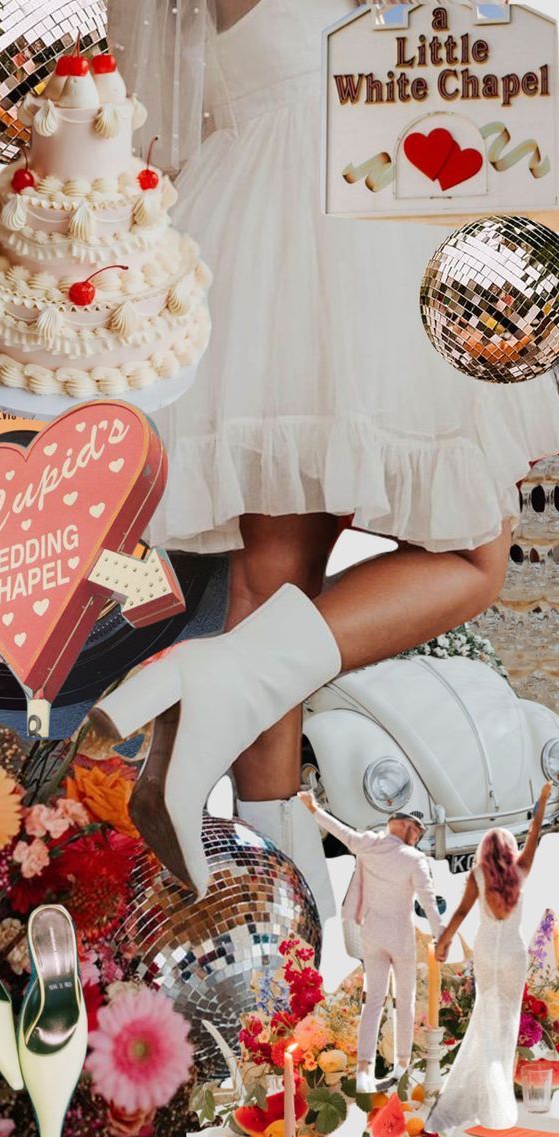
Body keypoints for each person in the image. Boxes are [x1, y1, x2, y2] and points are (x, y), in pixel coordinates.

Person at [102, 0, 559, 918]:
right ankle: (217, 695)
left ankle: (272, 898)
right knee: (473, 553)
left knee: (275, 579)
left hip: (246, 208)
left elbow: (149, 115)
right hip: (350, 194)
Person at [426, 781, 553, 1134]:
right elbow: (535, 831)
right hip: (512, 952)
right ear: (509, 849)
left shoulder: (477, 875)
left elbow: (460, 914)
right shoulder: (520, 872)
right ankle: (496, 1106)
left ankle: (483, 1098)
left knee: (484, 1020)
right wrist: (541, 800)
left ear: (484, 850)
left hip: (486, 950)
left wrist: (444, 943)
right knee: (505, 1025)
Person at [297, 791, 444, 1093]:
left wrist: (314, 808)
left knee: (373, 1002)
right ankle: (401, 1064)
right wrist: (441, 934)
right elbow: (428, 902)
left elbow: (341, 831)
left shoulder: (368, 845)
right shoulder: (413, 859)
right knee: (405, 1002)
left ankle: (364, 1070)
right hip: (400, 937)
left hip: (372, 934)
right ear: (407, 829)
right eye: (417, 832)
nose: (417, 838)